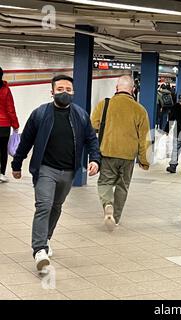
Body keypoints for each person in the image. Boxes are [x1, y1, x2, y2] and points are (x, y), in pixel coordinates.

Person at [11, 75, 100, 271]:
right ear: (52, 92)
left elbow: (91, 140)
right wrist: (17, 165)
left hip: (68, 171)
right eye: (60, 89)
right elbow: (26, 140)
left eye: (68, 89)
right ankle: (39, 250)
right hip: (45, 169)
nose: (64, 93)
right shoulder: (40, 114)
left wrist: (95, 159)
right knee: (44, 205)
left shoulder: (81, 115)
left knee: (56, 206)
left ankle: (46, 238)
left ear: (73, 92)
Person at [91, 76, 150, 231]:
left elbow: (93, 125)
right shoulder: (140, 110)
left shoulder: (104, 105)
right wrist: (144, 160)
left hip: (108, 152)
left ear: (116, 88)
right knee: (123, 186)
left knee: (105, 182)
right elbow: (144, 139)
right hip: (128, 156)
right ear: (133, 90)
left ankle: (107, 204)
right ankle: (115, 218)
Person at [0, 66, 19, 182]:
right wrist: (15, 125)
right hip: (4, 125)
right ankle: (1, 173)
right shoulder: (6, 89)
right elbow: (10, 108)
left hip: (4, 125)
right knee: (3, 150)